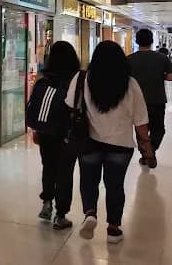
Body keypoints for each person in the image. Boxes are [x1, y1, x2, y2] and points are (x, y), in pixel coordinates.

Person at [66, 41, 155, 244]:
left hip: (89, 141)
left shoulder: (82, 79)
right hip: (120, 145)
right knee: (115, 185)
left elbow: (70, 105)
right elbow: (141, 121)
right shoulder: (131, 84)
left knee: (89, 180)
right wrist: (147, 146)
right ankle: (113, 229)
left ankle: (90, 212)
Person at [27, 41, 80, 230]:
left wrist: (36, 130)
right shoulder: (77, 78)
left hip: (46, 131)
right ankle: (61, 215)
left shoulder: (42, 76)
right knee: (64, 172)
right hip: (67, 132)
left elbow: (35, 104)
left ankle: (47, 203)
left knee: (48, 167)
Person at [127, 29, 172, 163]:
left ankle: (146, 153)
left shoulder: (129, 59)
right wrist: (159, 75)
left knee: (141, 129)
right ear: (152, 41)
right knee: (158, 129)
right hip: (157, 100)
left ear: (137, 41)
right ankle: (151, 149)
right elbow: (170, 77)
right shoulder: (162, 58)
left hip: (136, 102)